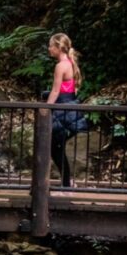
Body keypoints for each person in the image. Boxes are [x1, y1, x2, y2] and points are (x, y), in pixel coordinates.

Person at [45, 32, 87, 188]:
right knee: (57, 147)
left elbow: (56, 91)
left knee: (54, 147)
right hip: (69, 107)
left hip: (62, 111)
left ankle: (67, 183)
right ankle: (67, 182)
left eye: (50, 46)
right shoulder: (70, 62)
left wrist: (46, 109)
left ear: (58, 47)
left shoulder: (60, 66)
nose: (49, 49)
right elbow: (68, 90)